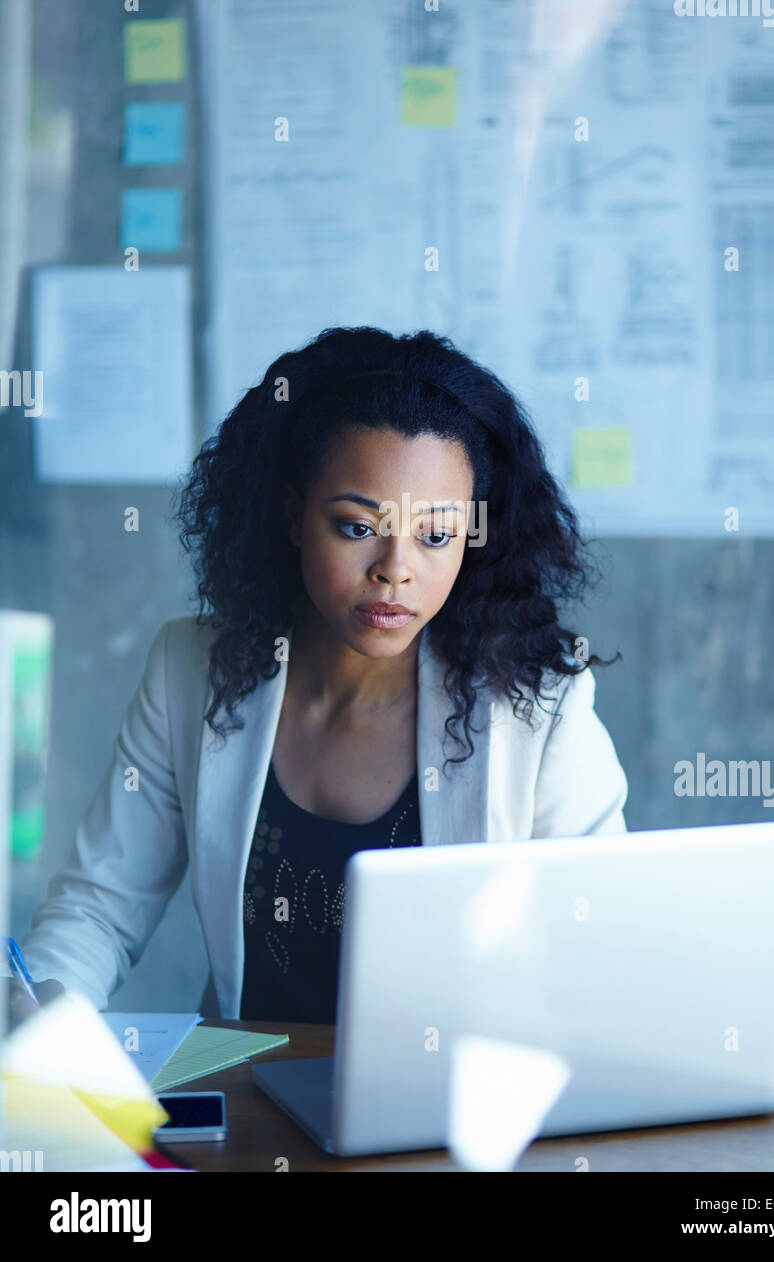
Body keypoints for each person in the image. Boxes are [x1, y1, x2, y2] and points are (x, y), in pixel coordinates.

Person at [5, 325, 627, 1030]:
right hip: (250, 1109)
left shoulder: (538, 701)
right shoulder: (193, 670)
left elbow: (596, 942)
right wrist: (45, 1007)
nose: (396, 569)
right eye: (357, 527)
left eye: (435, 535)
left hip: (450, 1107)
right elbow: (100, 903)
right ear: (293, 515)